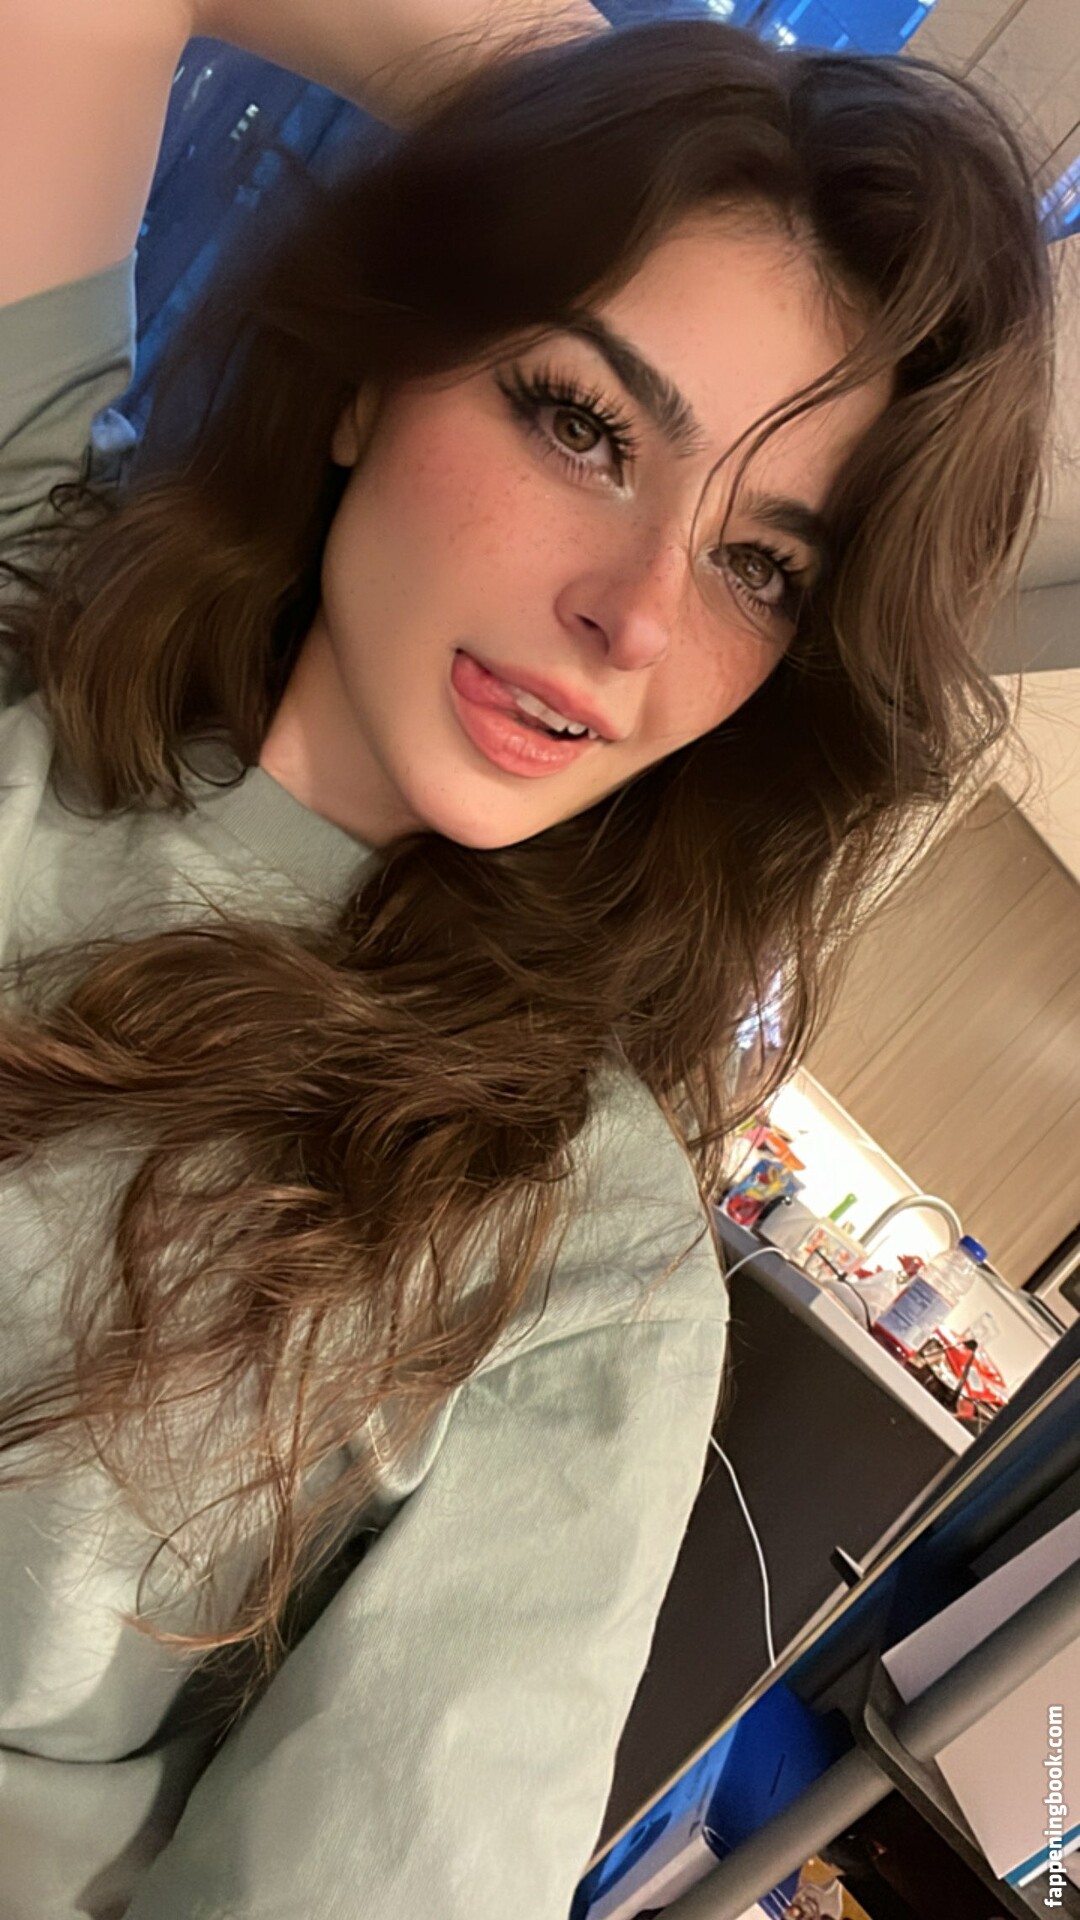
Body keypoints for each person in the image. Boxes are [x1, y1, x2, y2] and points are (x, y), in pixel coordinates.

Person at [0, 1, 1056, 1915]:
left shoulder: (578, 1254)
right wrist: (564, 119)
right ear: (374, 374)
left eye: (760, 564)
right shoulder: (29, 564)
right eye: (583, 422)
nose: (634, 615)